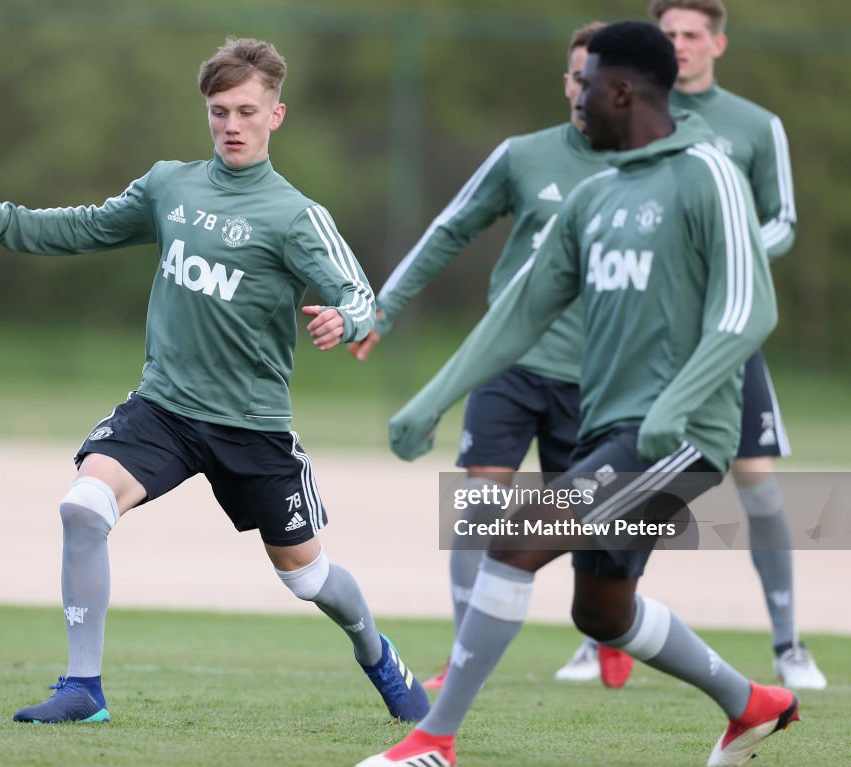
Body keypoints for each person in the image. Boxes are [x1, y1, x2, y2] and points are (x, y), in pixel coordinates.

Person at [0, 37, 429, 726]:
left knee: (308, 577)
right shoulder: (171, 184)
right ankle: (84, 687)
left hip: (252, 425)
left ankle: (378, 653)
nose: (231, 124)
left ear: (275, 116)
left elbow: (359, 296)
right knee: (82, 507)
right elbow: (85, 228)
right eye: (219, 110)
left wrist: (343, 323)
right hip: (164, 408)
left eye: (246, 111)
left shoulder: (295, 215)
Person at [357, 22, 799, 767]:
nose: (577, 98)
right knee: (601, 611)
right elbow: (519, 317)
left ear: (621, 91)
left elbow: (748, 310)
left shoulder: (708, 171)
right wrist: (433, 398)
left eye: (585, 83)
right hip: (616, 430)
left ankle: (433, 741)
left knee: (515, 534)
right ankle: (752, 704)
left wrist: (676, 403)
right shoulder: (594, 196)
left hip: (686, 435)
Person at [349, 22, 634, 690]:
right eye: (575, 74)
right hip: (506, 365)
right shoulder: (524, 157)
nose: (582, 87)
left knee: (594, 524)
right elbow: (449, 230)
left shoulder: (645, 171)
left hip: (597, 381)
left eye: (596, 76)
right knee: (475, 507)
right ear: (567, 82)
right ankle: (465, 653)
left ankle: (608, 632)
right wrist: (384, 307)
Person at [646, 0, 826, 692]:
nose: (681, 46)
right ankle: (601, 631)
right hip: (649, 336)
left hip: (726, 331)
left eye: (693, 35)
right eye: (669, 35)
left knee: (755, 481)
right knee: (626, 476)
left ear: (717, 42)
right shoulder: (635, 114)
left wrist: (733, 260)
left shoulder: (756, 125)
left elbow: (781, 218)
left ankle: (789, 644)